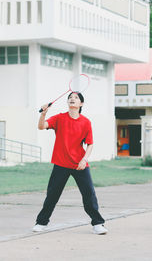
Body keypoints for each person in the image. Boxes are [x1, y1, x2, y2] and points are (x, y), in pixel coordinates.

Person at [32, 92, 108, 235]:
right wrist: (43, 114)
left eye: (76, 98)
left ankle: (98, 224)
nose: (72, 99)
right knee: (52, 195)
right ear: (67, 102)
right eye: (70, 98)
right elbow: (41, 127)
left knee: (89, 195)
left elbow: (90, 144)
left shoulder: (86, 122)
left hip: (79, 164)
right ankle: (41, 223)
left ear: (81, 104)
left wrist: (84, 159)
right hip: (61, 163)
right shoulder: (59, 118)